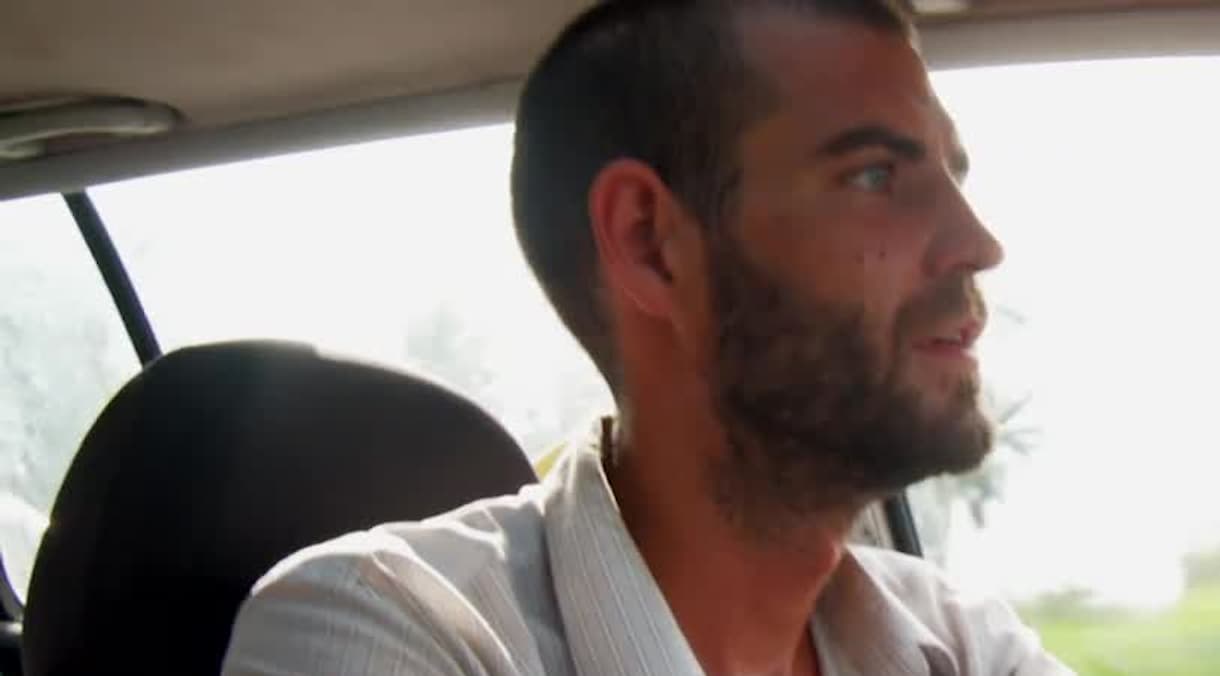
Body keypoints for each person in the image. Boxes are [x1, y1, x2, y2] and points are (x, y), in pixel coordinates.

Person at [221, 1, 1067, 674]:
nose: (977, 243)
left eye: (952, 175)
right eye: (874, 175)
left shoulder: (957, 641)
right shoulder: (390, 625)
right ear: (650, 243)